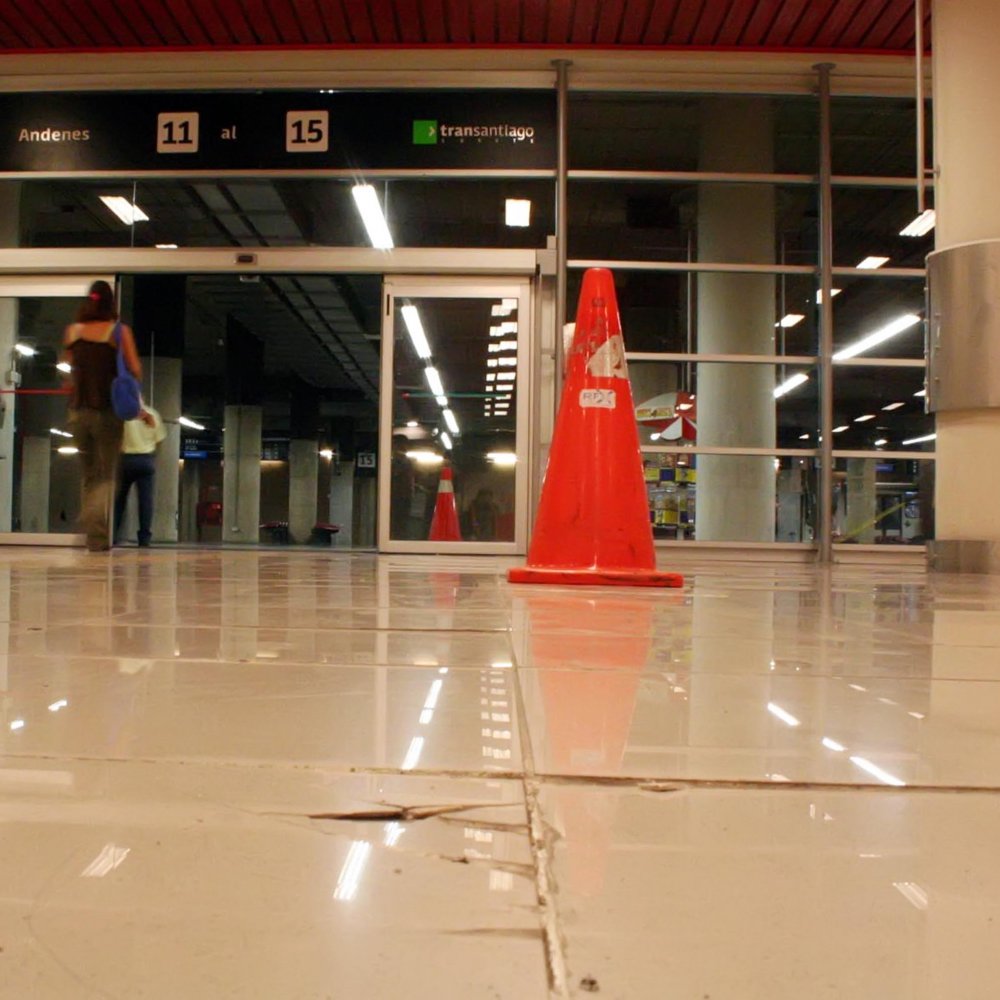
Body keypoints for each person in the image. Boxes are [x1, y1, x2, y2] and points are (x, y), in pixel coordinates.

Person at [62, 280, 142, 552]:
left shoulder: (73, 332)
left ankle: (95, 538)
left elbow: (69, 369)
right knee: (106, 475)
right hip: (107, 412)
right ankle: (92, 517)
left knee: (88, 475)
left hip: (77, 412)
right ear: (111, 303)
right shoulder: (119, 332)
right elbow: (135, 369)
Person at [114, 401, 165, 547]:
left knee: (119, 500)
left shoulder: (122, 414)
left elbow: (115, 437)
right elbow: (159, 440)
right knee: (145, 501)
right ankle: (144, 538)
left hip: (125, 460)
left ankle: (113, 534)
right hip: (146, 460)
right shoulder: (152, 414)